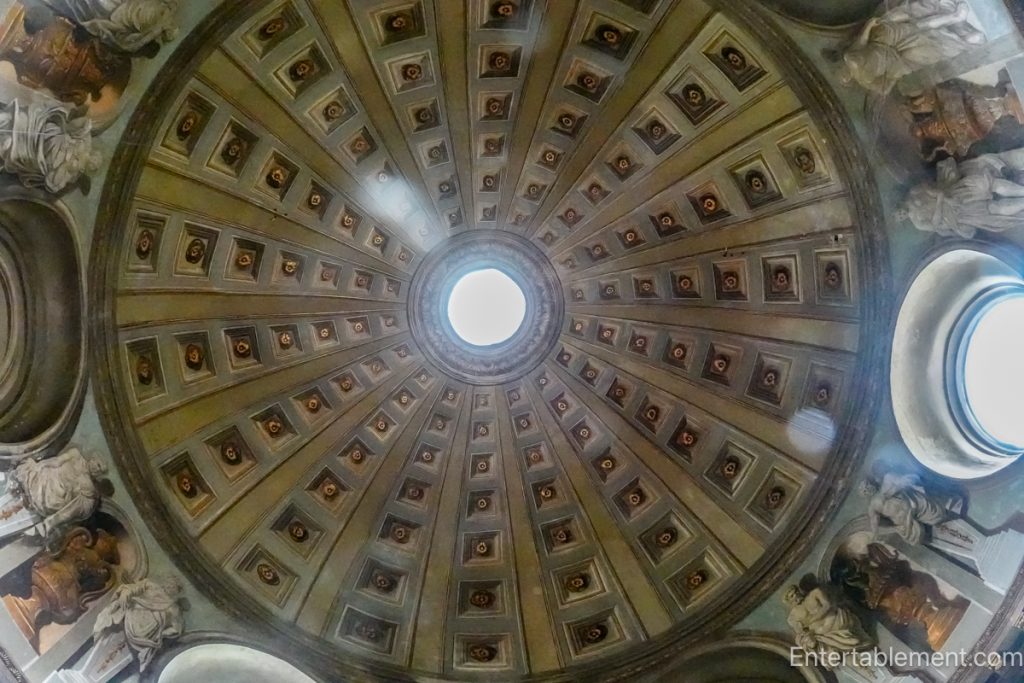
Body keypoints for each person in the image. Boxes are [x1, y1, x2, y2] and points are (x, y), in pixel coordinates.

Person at [840, 0, 985, 94]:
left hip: (883, 42)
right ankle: (964, 41)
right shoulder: (866, 81)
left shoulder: (850, 58)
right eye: (845, 79)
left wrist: (869, 26)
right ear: (850, 82)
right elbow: (885, 88)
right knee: (929, 50)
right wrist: (893, 75)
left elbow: (862, 41)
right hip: (896, 62)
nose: (844, 75)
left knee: (913, 25)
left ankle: (953, 16)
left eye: (841, 73)